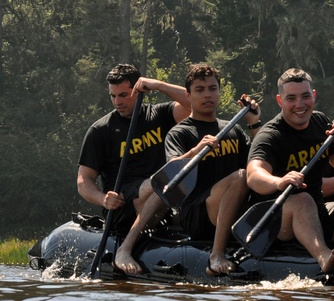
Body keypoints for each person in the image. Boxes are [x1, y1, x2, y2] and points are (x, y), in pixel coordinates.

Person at [115, 64, 262, 275]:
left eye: (212, 88)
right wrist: (195, 151)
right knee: (240, 177)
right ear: (188, 95)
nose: (207, 94)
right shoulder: (180, 133)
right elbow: (172, 172)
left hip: (232, 207)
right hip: (197, 213)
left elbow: (257, 164)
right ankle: (216, 255)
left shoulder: (233, 129)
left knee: (251, 176)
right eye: (200, 90)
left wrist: (254, 123)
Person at [245, 68, 334, 273]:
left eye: (305, 96)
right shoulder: (270, 135)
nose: (300, 105)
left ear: (314, 95)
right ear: (280, 101)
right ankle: (324, 256)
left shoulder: (320, 122)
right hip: (274, 218)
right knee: (302, 199)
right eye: (291, 98)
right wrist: (278, 181)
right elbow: (253, 175)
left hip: (316, 209)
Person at [77, 64, 191, 244]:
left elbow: (195, 104)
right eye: (113, 96)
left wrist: (158, 85)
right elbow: (83, 181)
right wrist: (103, 199)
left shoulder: (159, 114)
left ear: (138, 91)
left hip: (164, 195)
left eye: (123, 95)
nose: (117, 102)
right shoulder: (100, 131)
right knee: (160, 183)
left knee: (170, 184)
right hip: (123, 204)